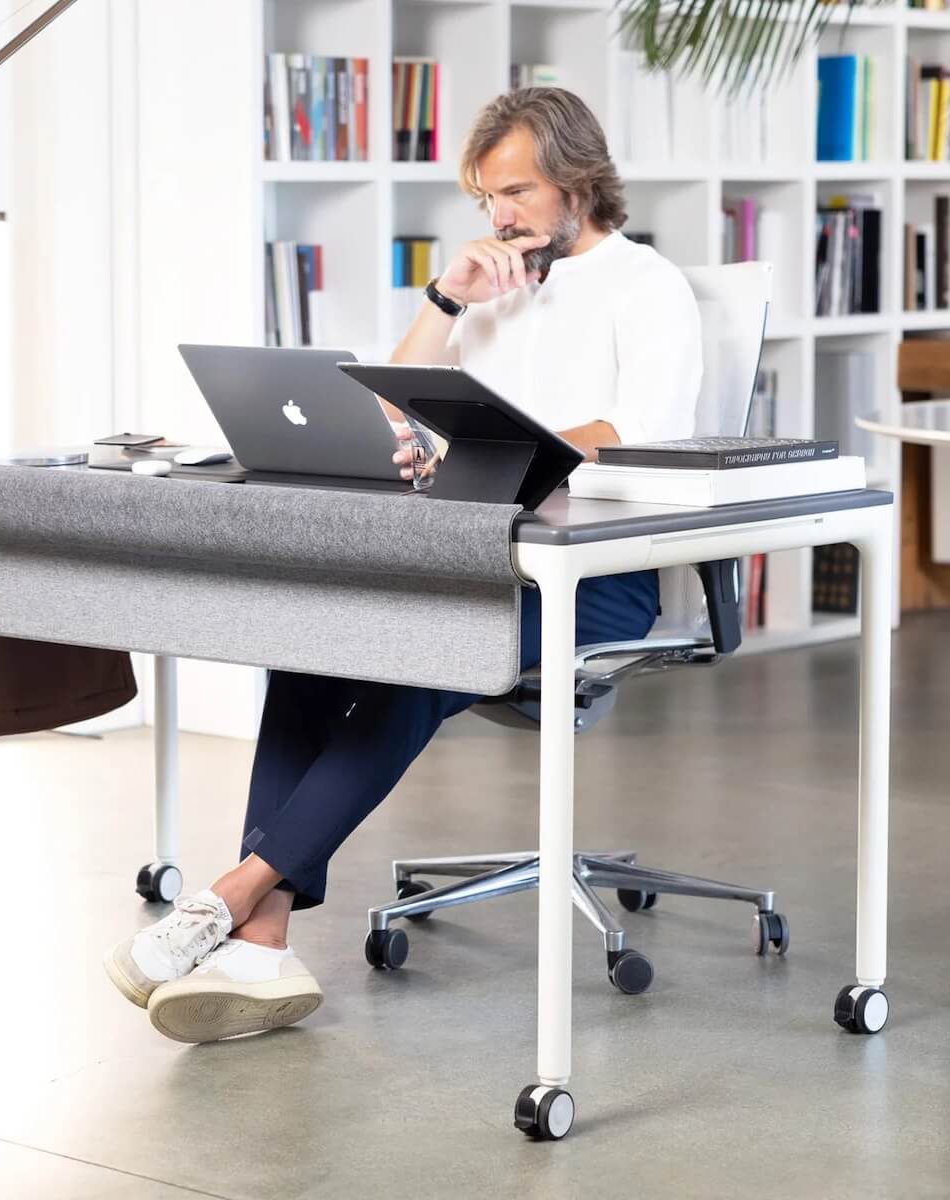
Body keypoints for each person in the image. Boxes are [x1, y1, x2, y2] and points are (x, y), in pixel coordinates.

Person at [104, 87, 703, 1045]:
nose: (499, 217)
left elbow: (640, 441)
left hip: (595, 576)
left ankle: (238, 892)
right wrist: (448, 297)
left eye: (515, 193)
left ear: (579, 181)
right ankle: (263, 940)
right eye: (485, 199)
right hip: (469, 556)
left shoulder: (647, 288)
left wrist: (502, 454)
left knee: (426, 657)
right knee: (310, 641)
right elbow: (391, 414)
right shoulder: (503, 289)